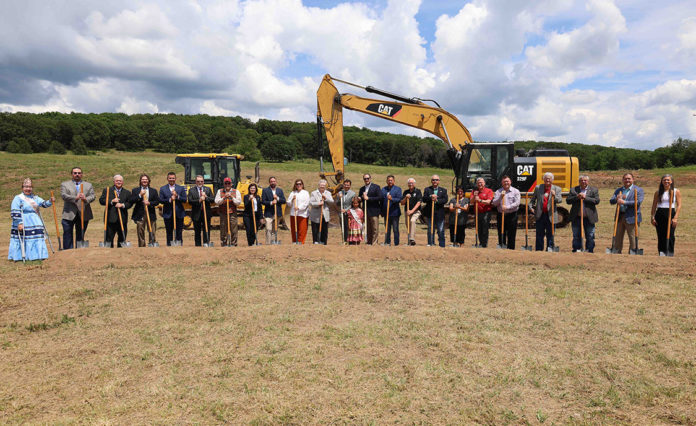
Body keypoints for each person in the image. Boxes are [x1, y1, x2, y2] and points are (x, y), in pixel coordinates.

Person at [9, 178, 55, 261]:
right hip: (23, 220)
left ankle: (38, 255)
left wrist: (50, 201)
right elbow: (15, 211)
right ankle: (21, 256)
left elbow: (44, 204)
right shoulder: (18, 198)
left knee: (37, 237)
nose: (28, 189)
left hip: (35, 220)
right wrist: (19, 223)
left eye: (30, 187)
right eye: (26, 187)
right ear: (22, 187)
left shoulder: (35, 198)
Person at [60, 167, 95, 249]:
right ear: (72, 174)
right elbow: (64, 195)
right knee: (67, 233)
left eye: (79, 173)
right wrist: (75, 197)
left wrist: (86, 199)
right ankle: (68, 251)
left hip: (83, 213)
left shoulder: (88, 185)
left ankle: (79, 252)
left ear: (82, 174)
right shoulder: (65, 184)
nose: (77, 175)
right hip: (69, 213)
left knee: (81, 233)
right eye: (75, 173)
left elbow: (93, 196)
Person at [609, 173, 644, 254]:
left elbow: (638, 202)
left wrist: (624, 202)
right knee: (618, 236)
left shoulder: (638, 190)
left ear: (633, 179)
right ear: (622, 180)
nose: (627, 180)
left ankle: (632, 252)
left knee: (633, 237)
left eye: (629, 178)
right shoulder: (619, 190)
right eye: (625, 179)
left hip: (632, 217)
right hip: (620, 216)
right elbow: (611, 201)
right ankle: (616, 251)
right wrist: (616, 199)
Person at [566, 175, 600, 253]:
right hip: (576, 217)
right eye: (581, 180)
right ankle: (577, 249)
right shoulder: (573, 190)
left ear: (588, 181)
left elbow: (596, 201)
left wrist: (585, 198)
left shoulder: (594, 190)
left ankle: (589, 250)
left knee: (590, 235)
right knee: (576, 236)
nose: (583, 182)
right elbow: (568, 201)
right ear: (579, 181)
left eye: (585, 180)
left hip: (589, 217)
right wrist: (577, 197)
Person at [650, 174, 682, 255]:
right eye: (664, 180)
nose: (666, 181)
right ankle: (662, 252)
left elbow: (679, 205)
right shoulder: (658, 192)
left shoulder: (676, 191)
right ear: (661, 181)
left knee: (670, 234)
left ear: (671, 181)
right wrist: (652, 217)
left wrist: (675, 218)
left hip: (670, 213)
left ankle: (670, 252)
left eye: (668, 180)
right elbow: (654, 206)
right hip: (660, 214)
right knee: (661, 234)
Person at [529, 172, 562, 251]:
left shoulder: (557, 189)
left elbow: (560, 200)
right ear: (543, 179)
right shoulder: (538, 188)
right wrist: (530, 207)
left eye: (549, 178)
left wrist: (554, 196)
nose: (547, 180)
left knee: (550, 233)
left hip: (551, 215)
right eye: (546, 178)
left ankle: (550, 248)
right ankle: (539, 250)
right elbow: (532, 200)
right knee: (539, 234)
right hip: (540, 215)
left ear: (552, 180)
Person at [98, 175, 132, 248]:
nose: (119, 182)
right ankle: (110, 254)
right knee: (109, 239)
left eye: (120, 181)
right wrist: (111, 201)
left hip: (122, 219)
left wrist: (122, 205)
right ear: (114, 182)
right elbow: (101, 201)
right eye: (117, 181)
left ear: (123, 182)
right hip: (110, 219)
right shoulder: (107, 190)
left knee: (122, 239)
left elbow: (130, 203)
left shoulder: (127, 192)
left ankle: (121, 255)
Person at [129, 174, 159, 247]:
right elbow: (132, 200)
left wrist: (149, 203)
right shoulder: (135, 190)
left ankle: (152, 243)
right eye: (143, 179)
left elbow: (157, 201)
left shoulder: (153, 191)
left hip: (150, 213)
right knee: (140, 230)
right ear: (140, 181)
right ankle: (142, 246)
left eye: (146, 179)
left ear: (148, 181)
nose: (144, 181)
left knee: (152, 229)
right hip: (140, 213)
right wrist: (139, 195)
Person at [491, 176, 521, 250]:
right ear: (502, 183)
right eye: (504, 182)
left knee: (512, 233)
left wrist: (507, 207)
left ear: (510, 182)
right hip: (501, 215)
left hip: (512, 215)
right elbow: (494, 203)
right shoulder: (498, 192)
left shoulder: (516, 191)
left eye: (507, 181)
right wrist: (501, 197)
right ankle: (502, 246)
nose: (506, 183)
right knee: (501, 232)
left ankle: (511, 248)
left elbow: (517, 203)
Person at [159, 172, 187, 246]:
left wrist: (177, 196)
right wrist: (169, 199)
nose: (172, 179)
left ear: (175, 179)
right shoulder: (163, 189)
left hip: (179, 213)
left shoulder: (180, 188)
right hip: (168, 213)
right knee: (169, 231)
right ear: (167, 179)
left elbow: (184, 199)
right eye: (170, 178)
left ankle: (179, 244)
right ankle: (169, 244)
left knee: (179, 231)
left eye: (173, 178)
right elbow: (161, 200)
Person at [187, 175, 214, 246]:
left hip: (206, 213)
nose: (200, 183)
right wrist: (199, 200)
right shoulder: (191, 190)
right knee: (197, 230)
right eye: (198, 181)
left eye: (201, 181)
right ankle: (198, 244)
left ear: (203, 182)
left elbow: (212, 200)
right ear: (196, 182)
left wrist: (206, 197)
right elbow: (190, 201)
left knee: (206, 229)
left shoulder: (208, 189)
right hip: (196, 213)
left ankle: (206, 242)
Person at [422, 175, 448, 247]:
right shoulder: (427, 189)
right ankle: (430, 243)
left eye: (436, 180)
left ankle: (442, 244)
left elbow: (445, 200)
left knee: (440, 229)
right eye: (433, 180)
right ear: (431, 181)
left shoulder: (443, 190)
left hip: (440, 213)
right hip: (430, 213)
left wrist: (437, 200)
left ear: (439, 181)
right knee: (430, 228)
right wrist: (431, 197)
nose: (435, 181)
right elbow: (424, 199)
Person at [215, 177, 241, 246]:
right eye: (226, 183)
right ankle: (224, 243)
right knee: (223, 228)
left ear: (231, 184)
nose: (227, 185)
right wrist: (224, 198)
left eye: (228, 183)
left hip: (232, 213)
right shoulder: (219, 191)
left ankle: (233, 243)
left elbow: (238, 202)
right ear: (223, 184)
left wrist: (232, 197)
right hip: (223, 213)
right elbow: (217, 202)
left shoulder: (236, 191)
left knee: (234, 228)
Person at [358, 174, 383, 244]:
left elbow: (380, 197)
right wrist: (360, 198)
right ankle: (369, 241)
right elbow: (361, 197)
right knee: (368, 228)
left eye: (367, 178)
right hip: (365, 210)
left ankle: (374, 242)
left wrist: (369, 198)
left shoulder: (376, 187)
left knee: (374, 228)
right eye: (365, 179)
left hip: (374, 210)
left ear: (370, 178)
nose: (366, 180)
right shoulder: (362, 189)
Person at [469, 177, 494, 247]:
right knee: (479, 227)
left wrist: (480, 200)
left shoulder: (489, 191)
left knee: (485, 227)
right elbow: (471, 201)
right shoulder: (474, 191)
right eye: (478, 183)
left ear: (484, 183)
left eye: (481, 182)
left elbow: (488, 202)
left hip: (486, 212)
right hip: (477, 212)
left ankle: (484, 243)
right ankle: (480, 243)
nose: (480, 184)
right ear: (476, 184)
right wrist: (475, 196)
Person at [261, 176, 286, 244]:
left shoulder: (279, 190)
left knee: (274, 229)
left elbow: (284, 201)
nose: (273, 183)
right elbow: (263, 201)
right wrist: (271, 202)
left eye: (274, 181)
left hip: (277, 213)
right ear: (269, 182)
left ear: (276, 182)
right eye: (271, 181)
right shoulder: (265, 190)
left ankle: (274, 242)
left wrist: (277, 198)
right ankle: (268, 243)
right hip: (268, 213)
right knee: (268, 229)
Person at [309, 179, 334, 245]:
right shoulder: (314, 193)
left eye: (324, 185)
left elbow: (332, 202)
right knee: (315, 230)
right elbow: (311, 203)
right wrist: (319, 203)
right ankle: (316, 242)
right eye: (321, 185)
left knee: (324, 230)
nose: (322, 186)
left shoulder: (328, 193)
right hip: (316, 215)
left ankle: (324, 242)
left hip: (325, 215)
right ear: (319, 185)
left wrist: (325, 198)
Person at [287, 179, 310, 244]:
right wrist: (292, 200)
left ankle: (301, 242)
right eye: (297, 184)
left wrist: (299, 208)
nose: (298, 185)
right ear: (295, 185)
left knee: (302, 229)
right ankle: (294, 241)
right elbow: (288, 203)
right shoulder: (293, 193)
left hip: (302, 214)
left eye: (300, 184)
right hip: (293, 214)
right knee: (294, 229)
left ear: (302, 185)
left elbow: (306, 203)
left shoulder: (306, 193)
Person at [381, 175, 402, 245]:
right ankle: (387, 242)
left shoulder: (398, 189)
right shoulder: (383, 189)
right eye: (388, 180)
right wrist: (381, 211)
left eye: (391, 180)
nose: (390, 181)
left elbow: (399, 199)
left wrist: (392, 199)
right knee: (387, 228)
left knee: (395, 229)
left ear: (394, 181)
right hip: (386, 213)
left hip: (395, 213)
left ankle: (396, 243)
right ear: (386, 181)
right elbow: (381, 200)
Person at [400, 178, 422, 245]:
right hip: (407, 211)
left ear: (414, 184)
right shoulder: (406, 192)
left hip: (416, 211)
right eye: (409, 183)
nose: (410, 184)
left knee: (412, 221)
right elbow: (402, 203)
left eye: (412, 183)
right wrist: (406, 198)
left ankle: (412, 239)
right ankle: (409, 241)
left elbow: (419, 202)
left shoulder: (418, 191)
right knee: (408, 226)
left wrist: (412, 211)